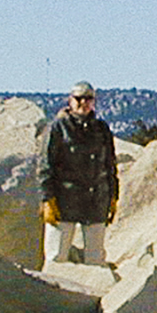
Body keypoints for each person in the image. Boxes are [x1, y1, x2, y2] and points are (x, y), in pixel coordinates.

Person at [39, 82, 118, 266]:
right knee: (56, 258)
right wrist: (47, 199)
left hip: (96, 200)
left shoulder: (101, 129)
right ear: (70, 100)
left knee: (96, 260)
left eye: (88, 98)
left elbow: (110, 165)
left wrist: (113, 196)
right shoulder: (58, 128)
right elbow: (45, 166)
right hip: (63, 200)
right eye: (78, 98)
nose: (83, 102)